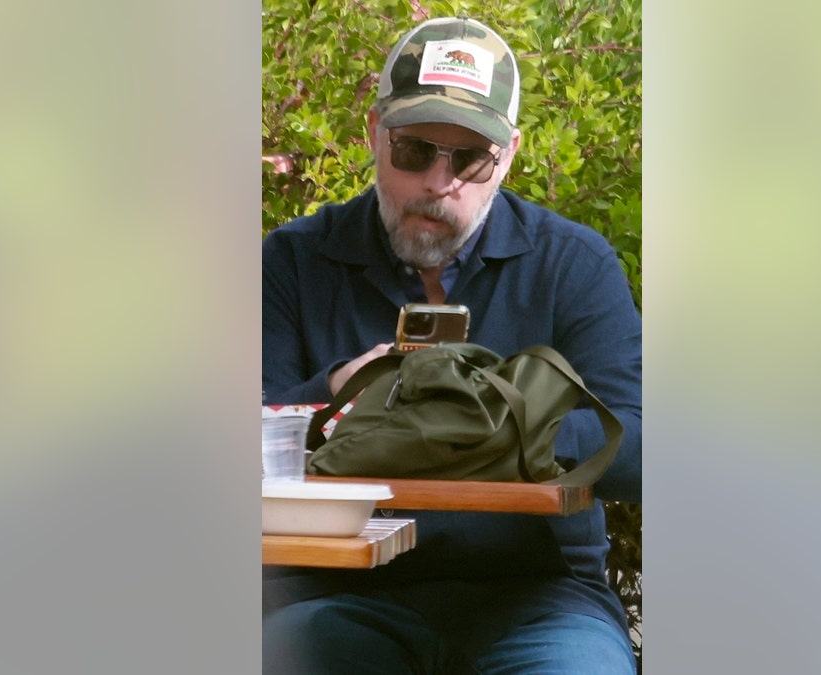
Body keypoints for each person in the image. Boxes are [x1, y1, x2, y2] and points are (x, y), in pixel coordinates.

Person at [262, 15, 642, 674]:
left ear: (509, 155)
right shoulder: (294, 261)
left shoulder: (572, 264)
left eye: (468, 158)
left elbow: (639, 447)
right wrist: (337, 388)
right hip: (337, 597)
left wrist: (499, 425)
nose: (439, 183)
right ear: (374, 134)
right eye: (413, 150)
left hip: (539, 599)